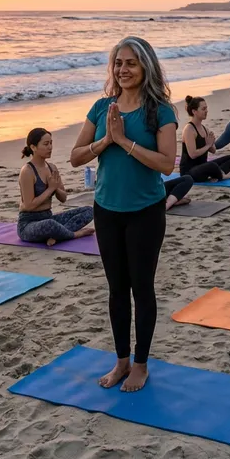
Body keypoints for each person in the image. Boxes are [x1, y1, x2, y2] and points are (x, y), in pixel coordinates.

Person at [70, 36, 177, 393]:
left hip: (145, 211)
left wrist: (125, 142)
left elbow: (165, 164)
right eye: (118, 63)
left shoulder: (160, 110)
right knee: (117, 289)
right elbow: (76, 156)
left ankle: (141, 365)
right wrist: (106, 141)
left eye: (131, 63)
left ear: (145, 66)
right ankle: (121, 361)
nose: (123, 69)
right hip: (107, 210)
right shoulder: (101, 108)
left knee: (142, 288)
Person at [17, 128, 94, 246]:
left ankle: (58, 235)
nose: (50, 147)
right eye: (46, 144)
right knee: (49, 225)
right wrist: (50, 188)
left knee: (89, 211)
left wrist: (56, 187)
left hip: (48, 217)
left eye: (51, 143)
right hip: (28, 224)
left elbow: (63, 198)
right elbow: (28, 205)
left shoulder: (52, 168)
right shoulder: (27, 171)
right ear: (33, 147)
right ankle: (74, 234)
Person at [180, 96, 230, 182]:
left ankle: (218, 174)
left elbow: (213, 150)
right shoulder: (189, 129)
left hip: (203, 168)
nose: (206, 111)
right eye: (203, 109)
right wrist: (207, 145)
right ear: (194, 111)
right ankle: (221, 175)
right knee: (211, 165)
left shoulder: (204, 129)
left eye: (206, 108)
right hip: (189, 172)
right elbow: (193, 154)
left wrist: (211, 143)